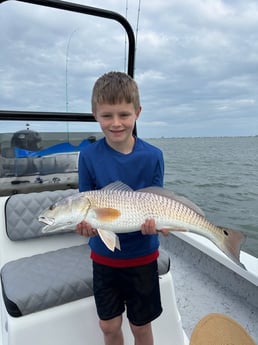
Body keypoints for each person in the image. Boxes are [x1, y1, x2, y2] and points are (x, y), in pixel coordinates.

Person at [77, 71, 167, 345]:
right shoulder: (89, 155)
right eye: (107, 116)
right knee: (108, 325)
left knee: (141, 327)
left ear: (137, 113)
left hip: (142, 257)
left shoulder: (153, 156)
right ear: (95, 114)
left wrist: (158, 225)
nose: (116, 123)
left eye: (124, 115)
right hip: (104, 259)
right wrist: (86, 227)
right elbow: (86, 203)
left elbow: (156, 199)